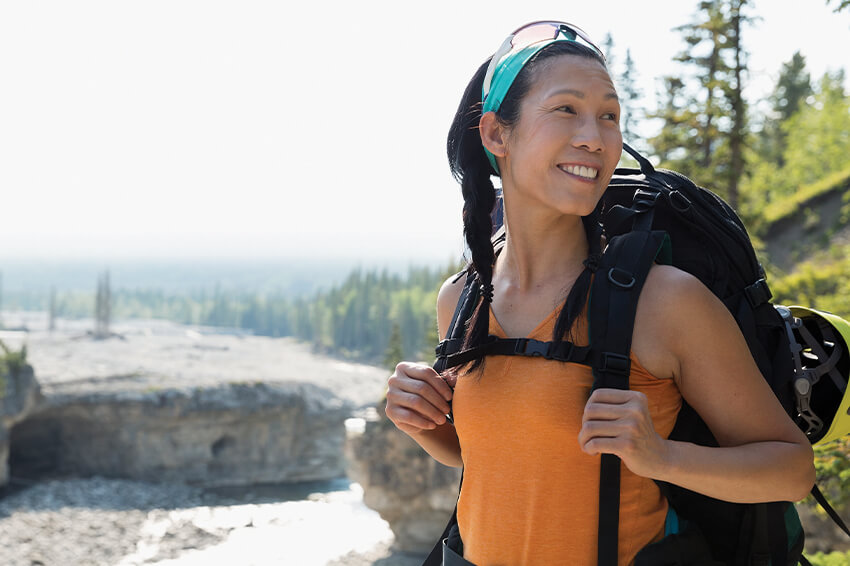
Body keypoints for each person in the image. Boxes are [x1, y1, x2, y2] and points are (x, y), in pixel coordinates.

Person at [385, 20, 815, 565]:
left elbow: (792, 470)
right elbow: (494, 459)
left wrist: (660, 456)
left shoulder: (664, 303)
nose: (595, 135)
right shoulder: (463, 298)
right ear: (496, 134)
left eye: (609, 115)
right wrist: (423, 423)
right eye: (566, 109)